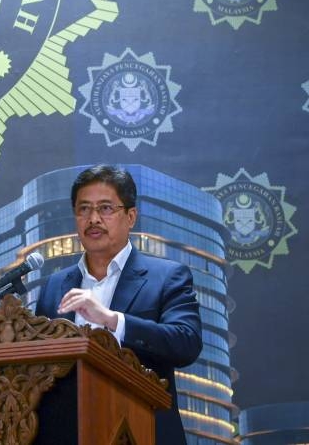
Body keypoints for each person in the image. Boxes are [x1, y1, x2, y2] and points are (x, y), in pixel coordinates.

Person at [34, 164, 202, 445]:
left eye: (106, 209)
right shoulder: (54, 286)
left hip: (142, 432)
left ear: (131, 216)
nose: (93, 219)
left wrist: (113, 320)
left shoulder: (167, 277)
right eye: (84, 209)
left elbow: (186, 343)